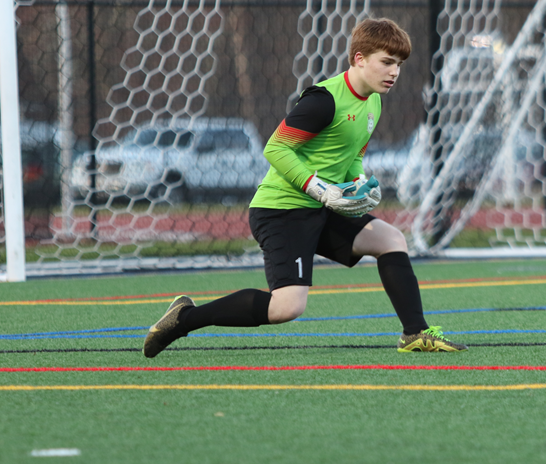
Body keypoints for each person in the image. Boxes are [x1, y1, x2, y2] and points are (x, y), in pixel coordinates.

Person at [143, 18, 468, 358]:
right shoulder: (324, 100)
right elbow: (276, 148)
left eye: (399, 64)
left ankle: (414, 333)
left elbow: (352, 154)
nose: (394, 72)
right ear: (359, 58)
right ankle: (185, 318)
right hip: (282, 211)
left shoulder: (373, 100)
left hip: (321, 206)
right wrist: (318, 188)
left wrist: (358, 182)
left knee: (391, 240)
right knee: (287, 307)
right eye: (387, 62)